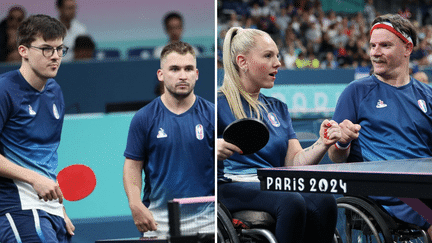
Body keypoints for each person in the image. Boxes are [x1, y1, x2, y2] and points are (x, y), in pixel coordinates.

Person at [217, 27, 341, 243]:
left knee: (325, 200)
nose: (278, 63)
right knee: (291, 202)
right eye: (268, 56)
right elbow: (188, 154)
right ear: (242, 62)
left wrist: (322, 143)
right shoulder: (216, 105)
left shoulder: (278, 108)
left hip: (271, 184)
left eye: (277, 55)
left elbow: (294, 163)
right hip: (229, 185)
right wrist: (211, 147)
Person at [328, 13, 432, 239]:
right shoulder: (355, 92)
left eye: (385, 45)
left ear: (407, 48)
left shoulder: (428, 96)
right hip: (390, 192)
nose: (375, 52)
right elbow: (335, 156)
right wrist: (343, 141)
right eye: (372, 45)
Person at [123, 41, 214, 237]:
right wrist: (135, 203)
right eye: (174, 69)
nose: (182, 75)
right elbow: (132, 166)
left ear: (196, 74)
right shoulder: (144, 118)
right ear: (161, 75)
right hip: (158, 224)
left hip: (207, 223)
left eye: (188, 69)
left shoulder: (212, 115)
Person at [0, 14, 75, 242]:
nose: (55, 57)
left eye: (60, 49)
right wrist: (34, 179)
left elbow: (45, 157)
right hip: (17, 206)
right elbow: (35, 173)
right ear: (23, 50)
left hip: (49, 209)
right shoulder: (4, 90)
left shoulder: (55, 92)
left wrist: (59, 207)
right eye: (46, 49)